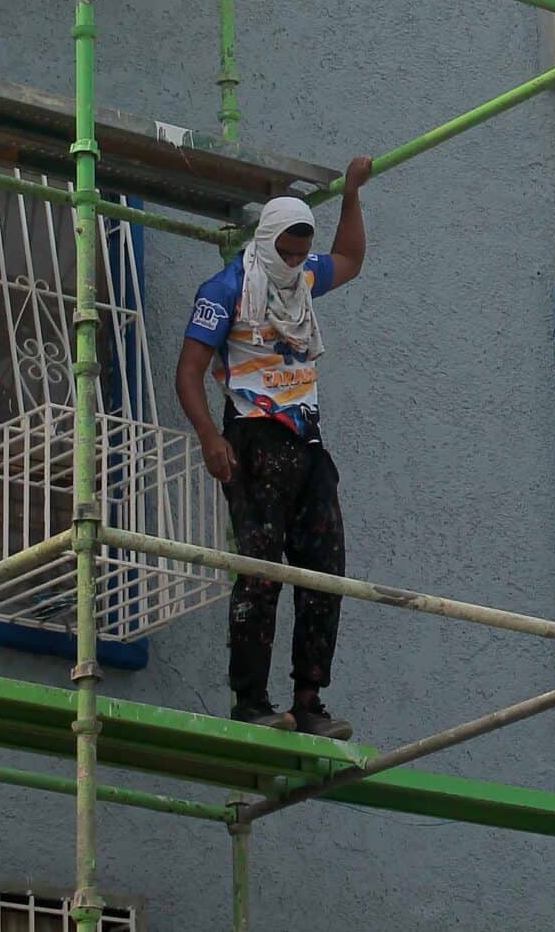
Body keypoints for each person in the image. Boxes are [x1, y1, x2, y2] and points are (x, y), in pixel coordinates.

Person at [176, 158, 372, 739]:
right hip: (254, 438)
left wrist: (353, 194)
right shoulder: (228, 288)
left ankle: (308, 700)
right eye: (285, 250)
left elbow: (352, 259)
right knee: (260, 571)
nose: (292, 261)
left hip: (307, 440)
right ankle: (251, 700)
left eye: (299, 250)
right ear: (266, 241)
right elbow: (188, 374)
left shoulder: (304, 279)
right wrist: (211, 438)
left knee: (325, 571)